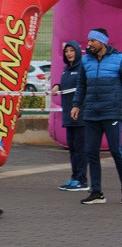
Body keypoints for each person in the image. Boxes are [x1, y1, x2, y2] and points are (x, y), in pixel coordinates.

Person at [71, 28, 122, 205]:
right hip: (92, 113)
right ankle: (96, 192)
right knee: (91, 153)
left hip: (111, 112)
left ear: (102, 42)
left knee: (116, 152)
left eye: (92, 40)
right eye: (88, 40)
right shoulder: (86, 61)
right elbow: (81, 85)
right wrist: (77, 104)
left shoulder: (119, 59)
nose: (89, 44)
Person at [52, 41, 88, 191]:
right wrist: (57, 85)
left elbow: (83, 88)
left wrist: (78, 107)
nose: (69, 53)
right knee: (72, 148)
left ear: (78, 52)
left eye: (72, 50)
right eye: (67, 51)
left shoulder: (82, 68)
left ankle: (82, 179)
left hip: (80, 116)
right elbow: (66, 87)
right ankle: (74, 177)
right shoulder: (65, 70)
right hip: (68, 115)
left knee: (81, 148)